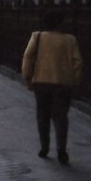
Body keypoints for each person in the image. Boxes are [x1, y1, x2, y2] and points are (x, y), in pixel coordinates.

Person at [21, 10, 83, 164]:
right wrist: (74, 80)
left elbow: (27, 58)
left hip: (41, 82)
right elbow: (78, 62)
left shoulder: (38, 37)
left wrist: (28, 77)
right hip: (63, 83)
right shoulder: (70, 40)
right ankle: (61, 150)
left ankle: (44, 147)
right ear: (60, 23)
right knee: (61, 117)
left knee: (42, 116)